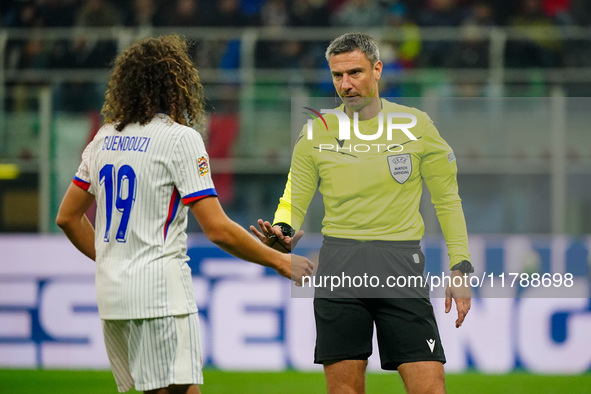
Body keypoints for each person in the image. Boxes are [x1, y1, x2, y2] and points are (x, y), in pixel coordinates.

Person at [56, 34, 313, 394]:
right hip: (160, 294)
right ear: (176, 85)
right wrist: (279, 261)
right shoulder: (180, 139)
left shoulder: (104, 139)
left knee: (176, 390)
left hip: (113, 292)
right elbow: (218, 229)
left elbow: (67, 217)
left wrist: (116, 260)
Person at [251, 32, 471, 394]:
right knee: (344, 391)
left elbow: (447, 200)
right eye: (338, 75)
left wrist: (460, 265)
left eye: (355, 73)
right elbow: (294, 196)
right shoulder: (316, 132)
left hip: (400, 266)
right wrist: (283, 229)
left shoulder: (417, 126)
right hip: (340, 265)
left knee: (431, 388)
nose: (346, 84)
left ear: (378, 69)